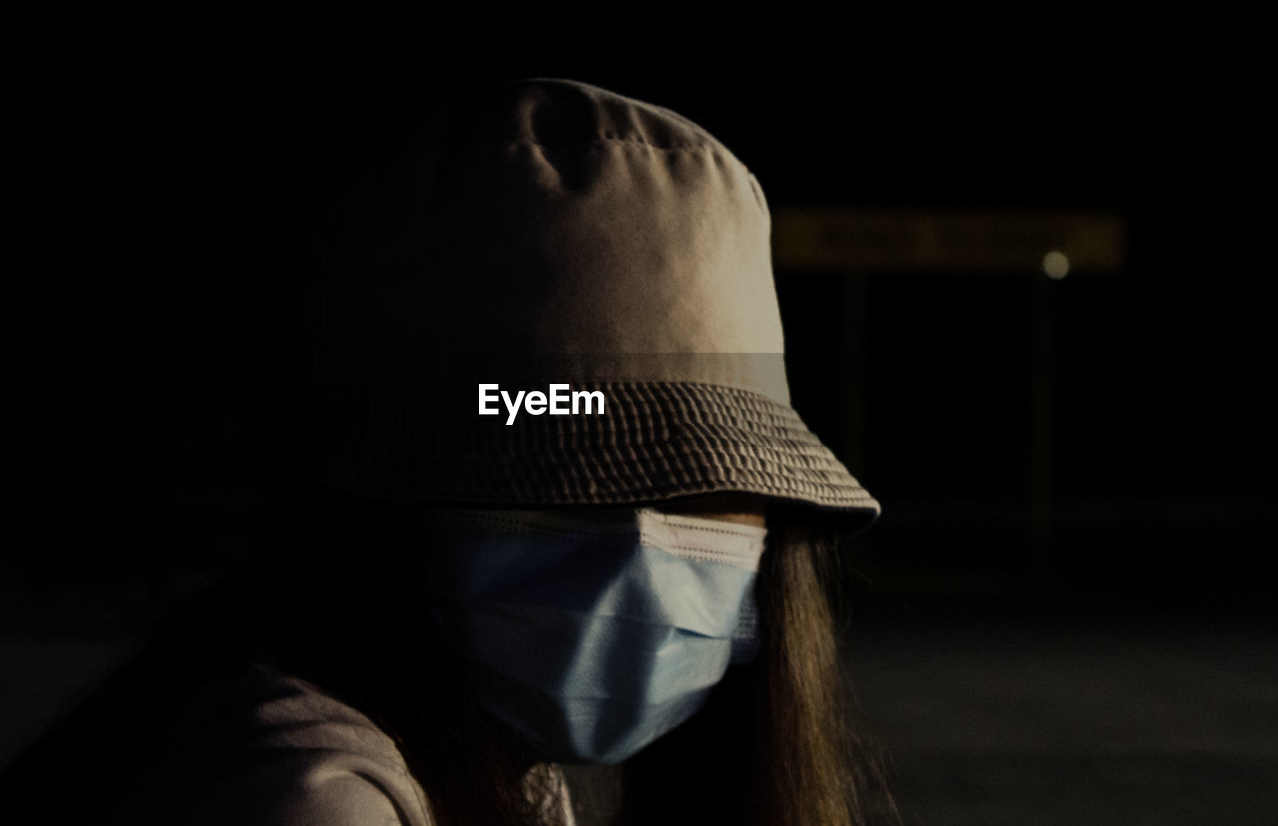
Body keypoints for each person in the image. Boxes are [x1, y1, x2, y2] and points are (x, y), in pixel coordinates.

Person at [0, 78, 898, 825]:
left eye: (705, 491)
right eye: (558, 477)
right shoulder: (309, 800)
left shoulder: (490, 759)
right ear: (370, 495)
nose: (642, 548)